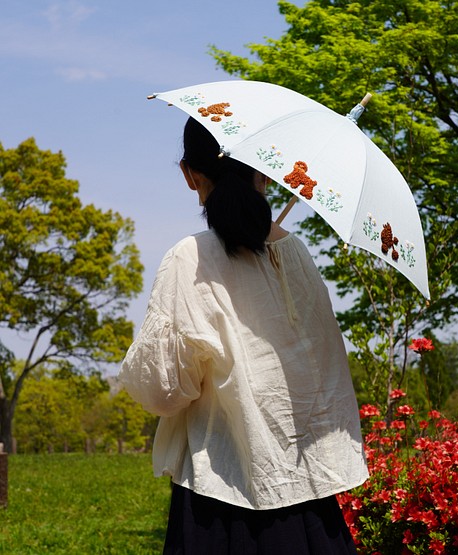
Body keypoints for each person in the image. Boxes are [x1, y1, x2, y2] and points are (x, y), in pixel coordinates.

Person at [118, 117, 369, 554]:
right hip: (309, 503)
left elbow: (162, 392)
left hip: (221, 498)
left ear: (189, 173)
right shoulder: (298, 257)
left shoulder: (190, 258)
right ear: (265, 171)